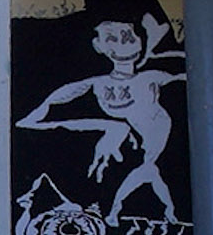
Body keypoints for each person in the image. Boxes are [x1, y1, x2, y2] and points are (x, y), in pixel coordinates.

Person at [19, 15, 183, 223]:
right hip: (131, 142)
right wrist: (37, 114)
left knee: (148, 170)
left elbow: (182, 72)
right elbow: (61, 96)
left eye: (129, 36)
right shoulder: (99, 83)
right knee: (147, 169)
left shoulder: (150, 77)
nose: (124, 42)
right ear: (99, 46)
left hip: (152, 138)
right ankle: (139, 211)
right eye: (113, 38)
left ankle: (126, 211)